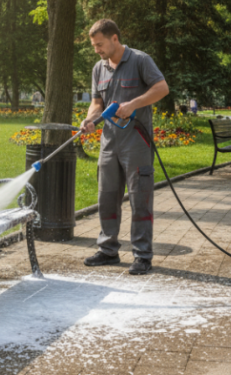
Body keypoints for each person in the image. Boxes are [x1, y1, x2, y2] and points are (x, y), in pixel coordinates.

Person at [80, 19, 169, 275]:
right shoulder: (99, 68)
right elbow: (97, 102)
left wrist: (134, 104)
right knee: (106, 198)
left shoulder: (140, 60)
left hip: (136, 143)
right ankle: (108, 250)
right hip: (109, 144)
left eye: (100, 44)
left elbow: (162, 88)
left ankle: (142, 255)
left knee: (140, 200)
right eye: (94, 45)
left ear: (115, 39)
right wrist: (90, 118)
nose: (97, 50)